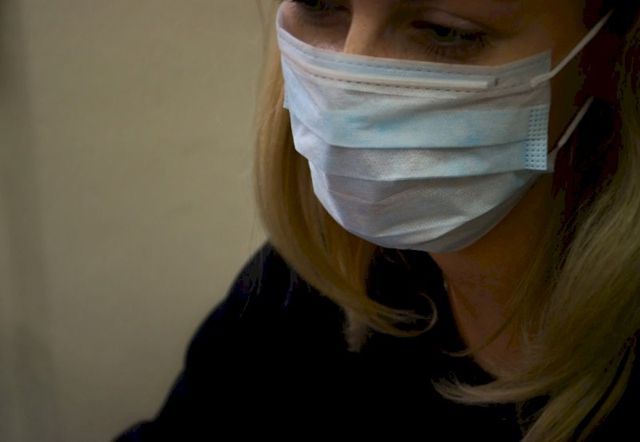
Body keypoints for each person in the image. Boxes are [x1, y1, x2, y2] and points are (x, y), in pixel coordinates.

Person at [114, 1, 640, 440]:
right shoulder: (309, 290)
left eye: (445, 31)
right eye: (319, 5)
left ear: (606, 48)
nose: (349, 85)